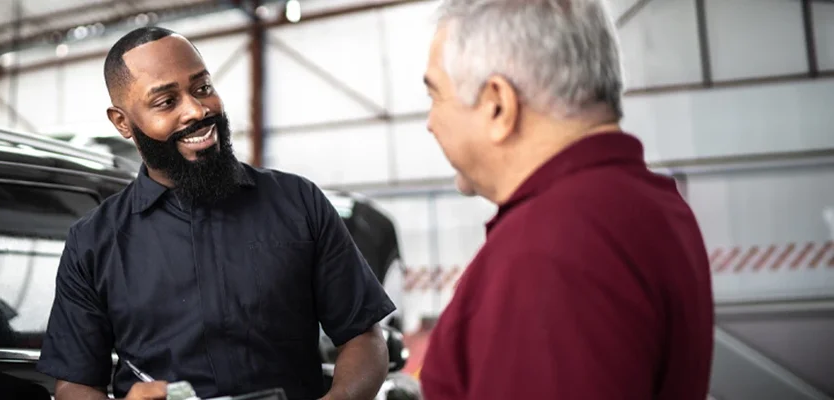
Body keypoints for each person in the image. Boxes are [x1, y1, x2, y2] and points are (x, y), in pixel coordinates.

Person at [36, 26, 395, 400]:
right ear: (122, 122)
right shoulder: (93, 242)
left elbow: (363, 336)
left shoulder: (298, 202)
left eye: (202, 88)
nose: (196, 110)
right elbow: (75, 384)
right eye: (166, 102)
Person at [418, 1, 714, 399]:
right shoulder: (647, 205)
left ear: (497, 105)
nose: (430, 123)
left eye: (436, 95)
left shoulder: (545, 251)